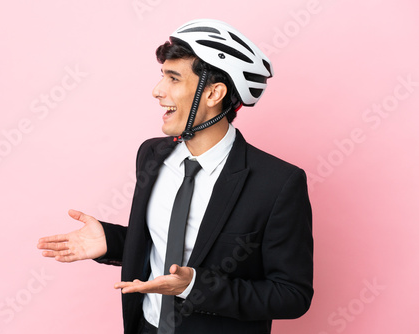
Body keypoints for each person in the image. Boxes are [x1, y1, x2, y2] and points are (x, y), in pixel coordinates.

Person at [37, 19, 313, 334]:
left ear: (213, 94)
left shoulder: (277, 183)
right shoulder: (152, 156)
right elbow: (167, 242)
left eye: (173, 78)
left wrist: (194, 286)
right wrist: (112, 242)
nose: (157, 91)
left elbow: (292, 294)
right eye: (161, 76)